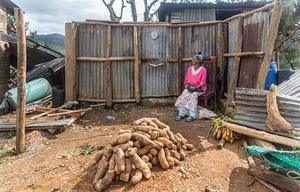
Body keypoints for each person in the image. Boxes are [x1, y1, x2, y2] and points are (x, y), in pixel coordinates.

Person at [175, 52, 207, 122]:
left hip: (199, 89)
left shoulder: (203, 70)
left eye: (194, 59)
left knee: (193, 96)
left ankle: (192, 115)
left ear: (198, 61)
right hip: (190, 87)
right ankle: (181, 114)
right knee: (184, 94)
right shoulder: (190, 69)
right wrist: (186, 85)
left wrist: (196, 87)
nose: (192, 60)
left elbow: (203, 82)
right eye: (193, 59)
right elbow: (186, 79)